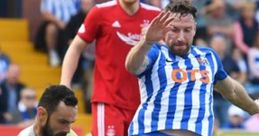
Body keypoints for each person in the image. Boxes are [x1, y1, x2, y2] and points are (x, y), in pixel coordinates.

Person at [125, 1, 259, 136]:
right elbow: (132, 66)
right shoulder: (155, 52)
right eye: (174, 29)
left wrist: (254, 108)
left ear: (194, 29)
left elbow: (232, 91)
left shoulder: (208, 56)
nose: (181, 37)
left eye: (187, 30)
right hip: (152, 132)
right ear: (164, 29)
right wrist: (146, 42)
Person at [60, 0, 160, 135]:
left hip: (144, 105)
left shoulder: (155, 15)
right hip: (109, 102)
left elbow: (166, 54)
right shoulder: (100, 12)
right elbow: (75, 47)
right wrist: (65, 84)